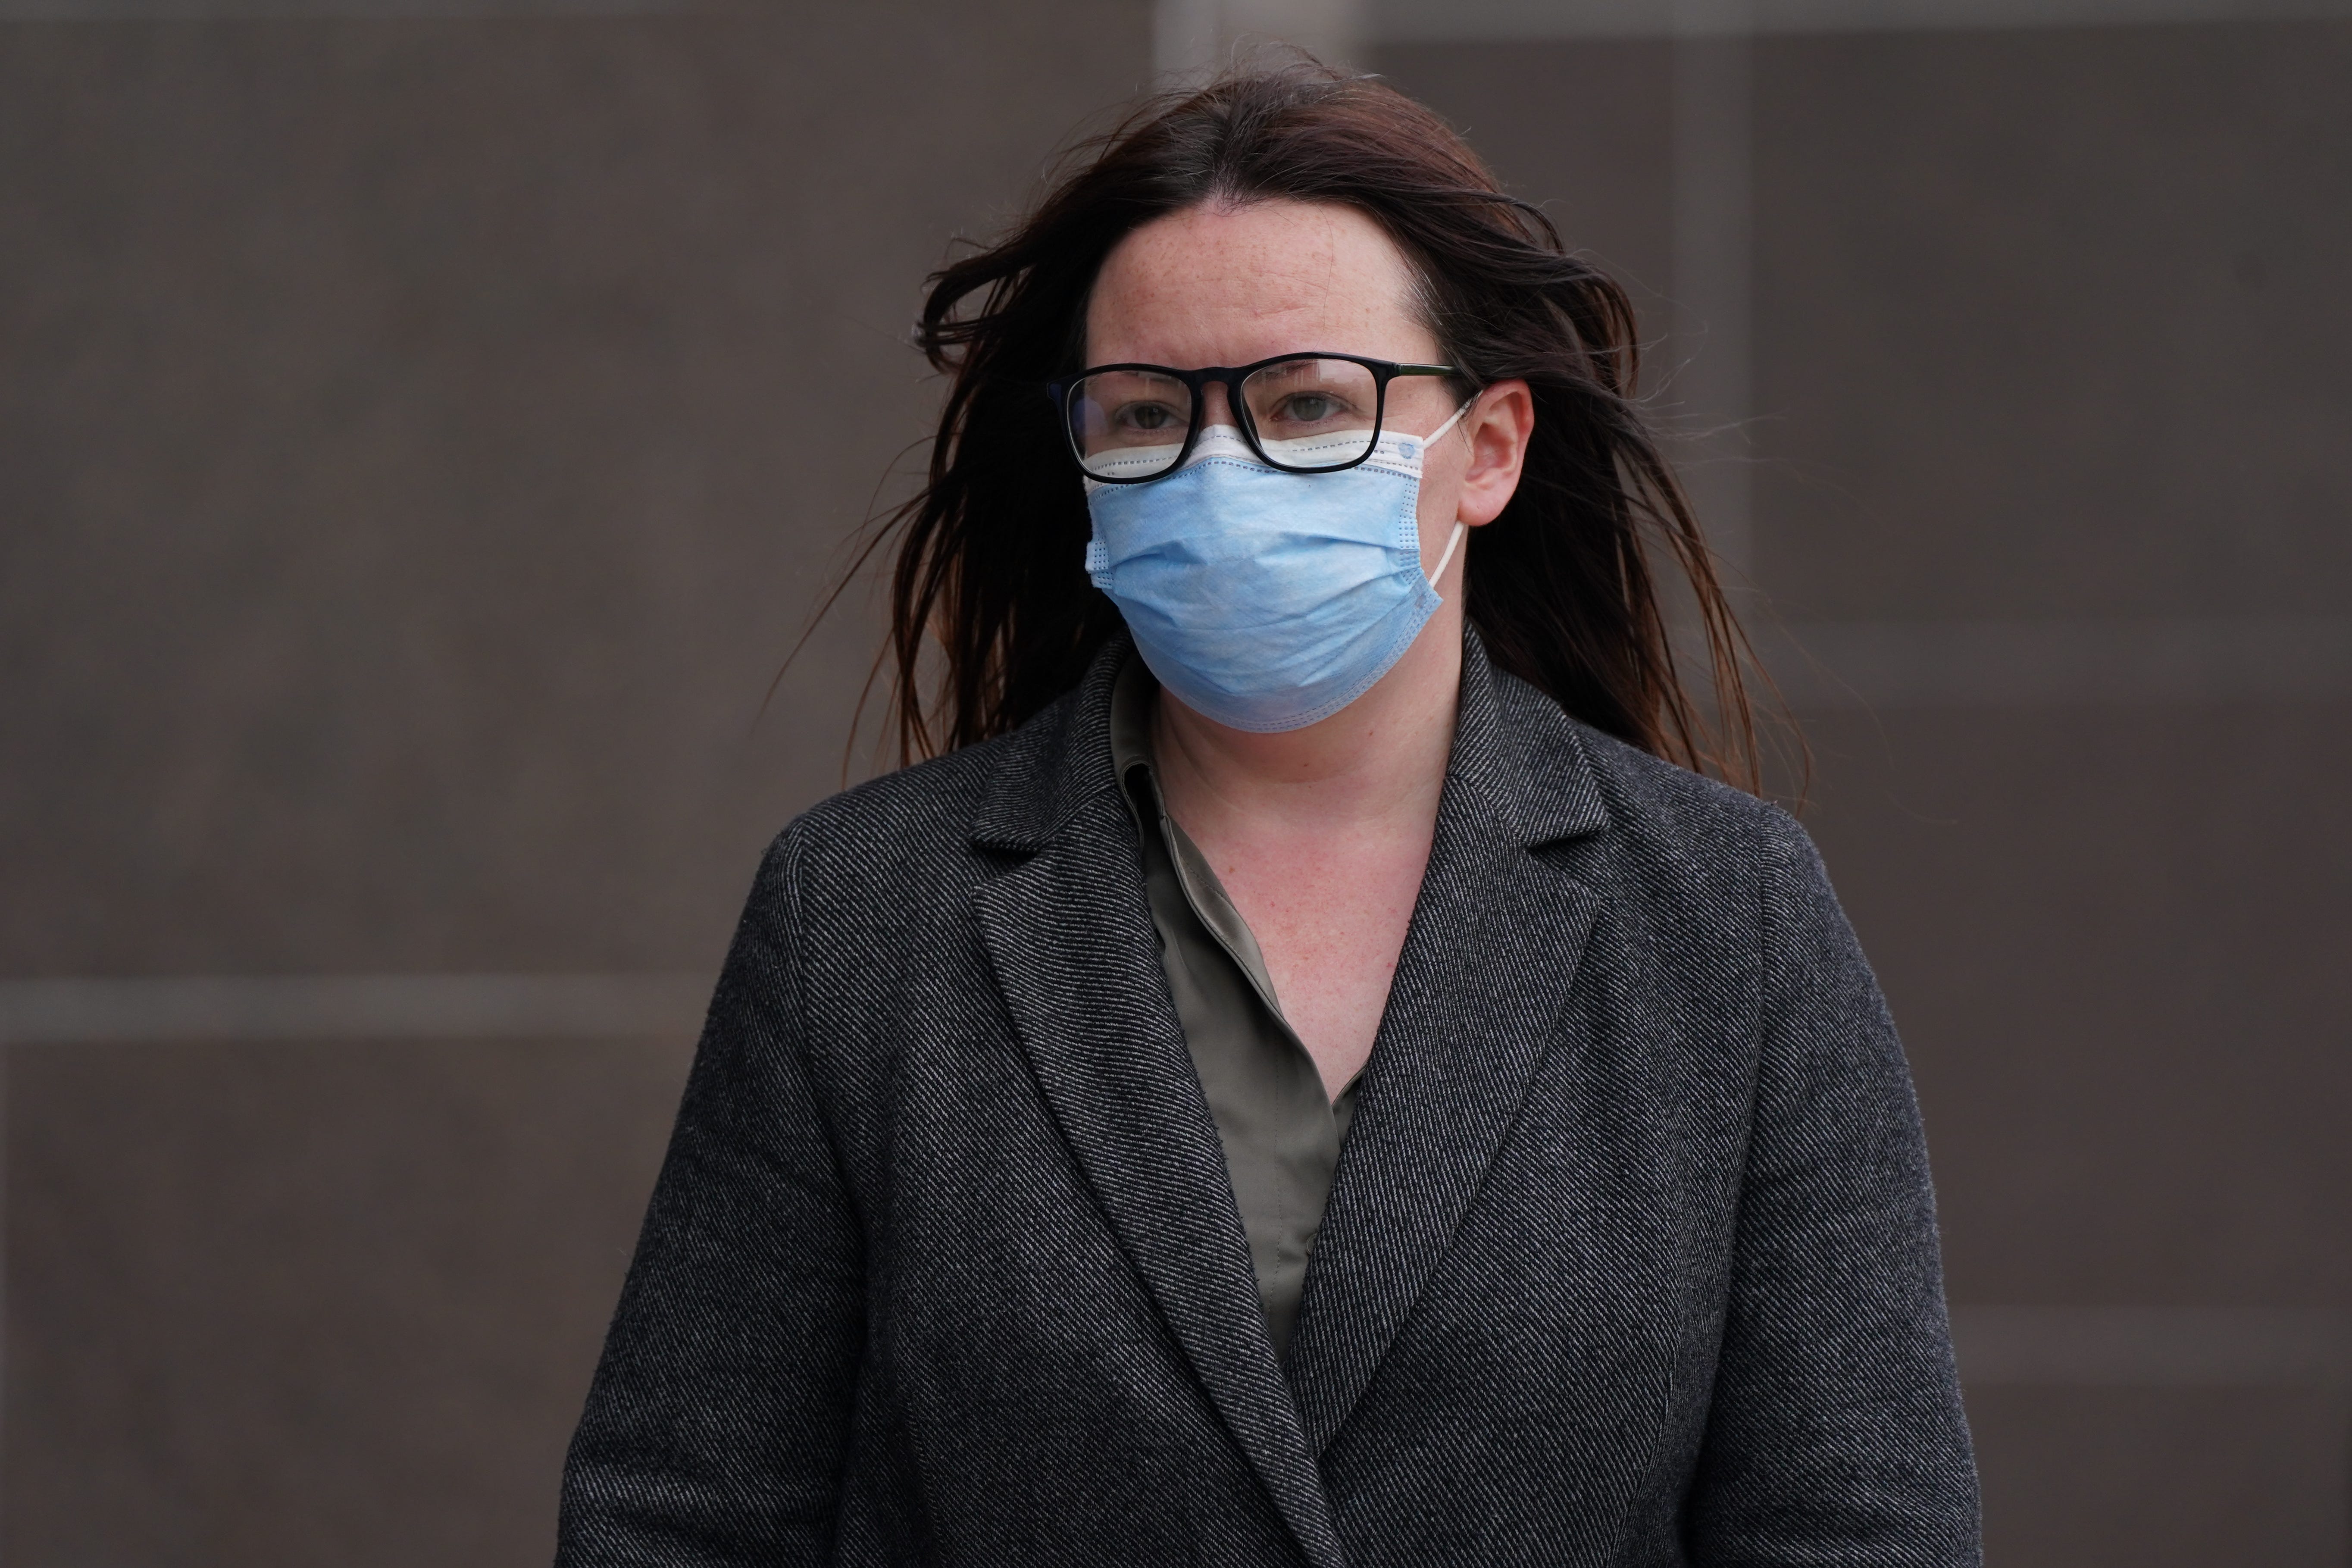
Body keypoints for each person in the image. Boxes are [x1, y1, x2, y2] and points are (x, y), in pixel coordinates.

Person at [557, 62, 1979, 1567]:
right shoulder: (864, 916)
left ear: (1488, 448)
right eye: (1150, 411)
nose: (1222, 470)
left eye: (1309, 401)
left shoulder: (1726, 918)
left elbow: (1857, 1526)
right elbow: (686, 1516)